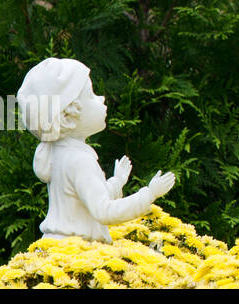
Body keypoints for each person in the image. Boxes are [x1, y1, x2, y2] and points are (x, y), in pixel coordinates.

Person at [17, 56, 175, 242]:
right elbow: (104, 211)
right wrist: (149, 193)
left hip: (57, 247)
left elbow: (87, 200)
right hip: (78, 255)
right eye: (91, 95)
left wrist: (117, 182)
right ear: (68, 116)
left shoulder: (59, 153)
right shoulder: (79, 160)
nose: (101, 98)